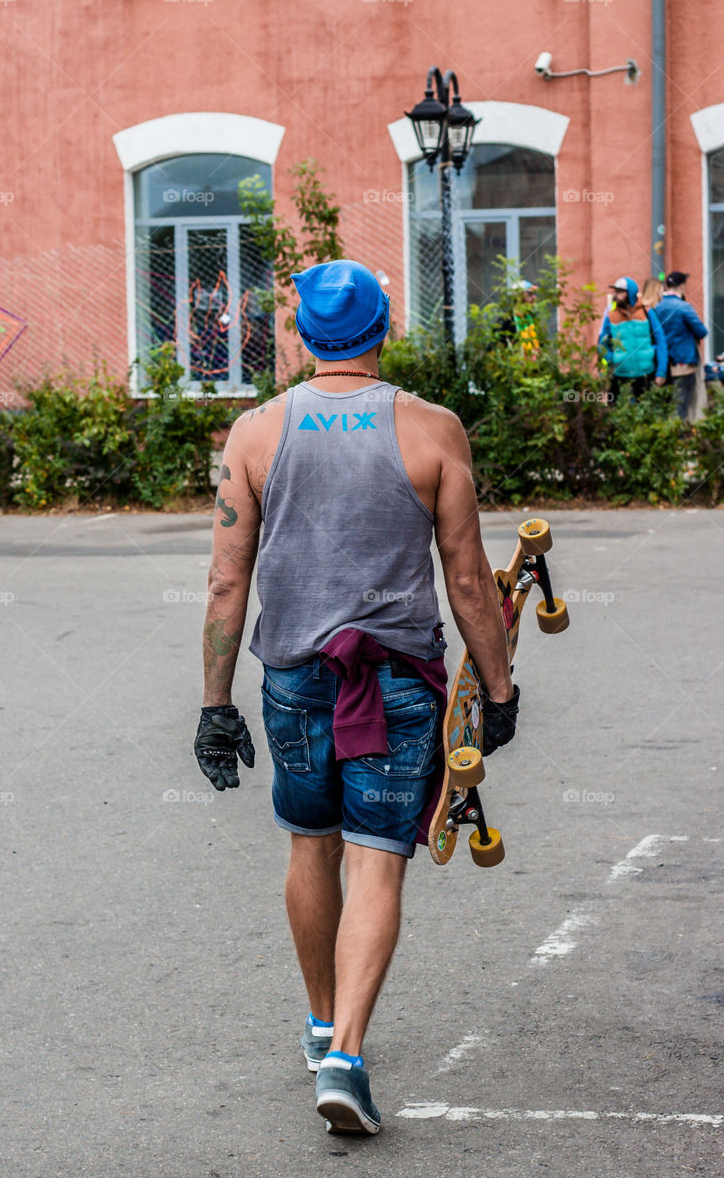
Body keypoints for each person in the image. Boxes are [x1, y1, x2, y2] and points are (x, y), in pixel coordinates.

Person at [193, 259, 519, 1136]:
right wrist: (497, 687)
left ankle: (317, 1021)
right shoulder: (432, 428)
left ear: (302, 336)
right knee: (376, 856)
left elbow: (228, 583)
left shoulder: (254, 432)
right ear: (381, 333)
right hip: (397, 681)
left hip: (294, 679)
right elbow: (466, 579)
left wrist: (215, 705)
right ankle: (345, 1055)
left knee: (311, 845)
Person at [598, 276, 667, 402]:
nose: (616, 295)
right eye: (615, 291)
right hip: (619, 374)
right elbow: (602, 343)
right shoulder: (611, 315)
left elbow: (660, 339)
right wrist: (611, 358)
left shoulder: (647, 312)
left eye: (620, 292)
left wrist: (661, 371)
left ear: (630, 293)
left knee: (646, 414)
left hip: (645, 373)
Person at [655, 271, 709, 421]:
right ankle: (680, 441)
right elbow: (702, 331)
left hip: (664, 366)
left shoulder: (657, 307)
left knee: (665, 406)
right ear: (682, 286)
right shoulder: (684, 307)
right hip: (684, 364)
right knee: (682, 406)